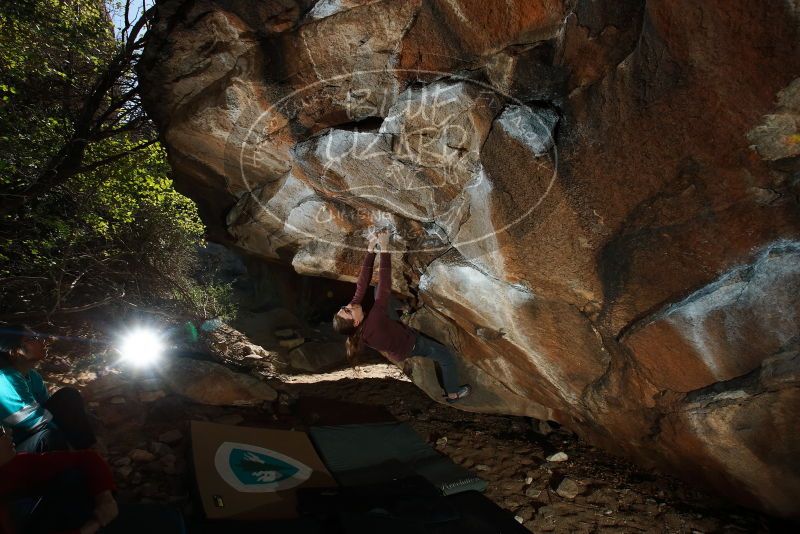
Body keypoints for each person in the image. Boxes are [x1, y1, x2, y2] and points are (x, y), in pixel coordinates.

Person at [333, 229, 471, 403]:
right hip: (408, 345)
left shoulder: (359, 316)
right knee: (445, 356)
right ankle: (452, 394)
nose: (349, 306)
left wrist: (370, 251)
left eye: (343, 307)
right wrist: (384, 248)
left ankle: (404, 310)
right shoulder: (374, 320)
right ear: (356, 321)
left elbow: (361, 285)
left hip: (390, 328)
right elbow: (385, 283)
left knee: (376, 292)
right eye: (347, 311)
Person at [0, 424, 185, 534]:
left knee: (72, 476)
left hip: (43, 518)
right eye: (0, 432)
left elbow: (84, 458)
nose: (8, 432)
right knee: (169, 522)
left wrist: (105, 499)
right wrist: (93, 526)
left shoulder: (11, 465)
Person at [0, 325, 95, 453]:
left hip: (34, 434)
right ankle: (83, 456)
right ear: (15, 352)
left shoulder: (34, 376)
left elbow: (47, 410)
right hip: (14, 448)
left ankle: (87, 452)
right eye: (32, 338)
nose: (42, 341)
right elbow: (34, 422)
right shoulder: (5, 379)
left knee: (67, 397)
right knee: (50, 437)